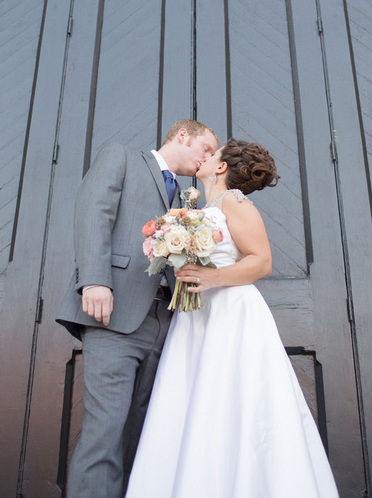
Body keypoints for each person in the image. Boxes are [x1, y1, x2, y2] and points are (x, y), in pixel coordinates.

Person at [125, 138, 340, 498]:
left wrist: (211, 277)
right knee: (192, 398)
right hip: (196, 317)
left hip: (230, 313)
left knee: (232, 397)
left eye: (212, 155)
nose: (205, 158)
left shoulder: (233, 202)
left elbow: (261, 260)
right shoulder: (200, 207)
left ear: (221, 167)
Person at [56, 120, 219, 498]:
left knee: (141, 436)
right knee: (105, 432)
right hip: (114, 317)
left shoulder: (186, 197)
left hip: (165, 326)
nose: (207, 159)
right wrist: (95, 280)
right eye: (206, 149)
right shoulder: (123, 158)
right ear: (183, 135)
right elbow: (93, 212)